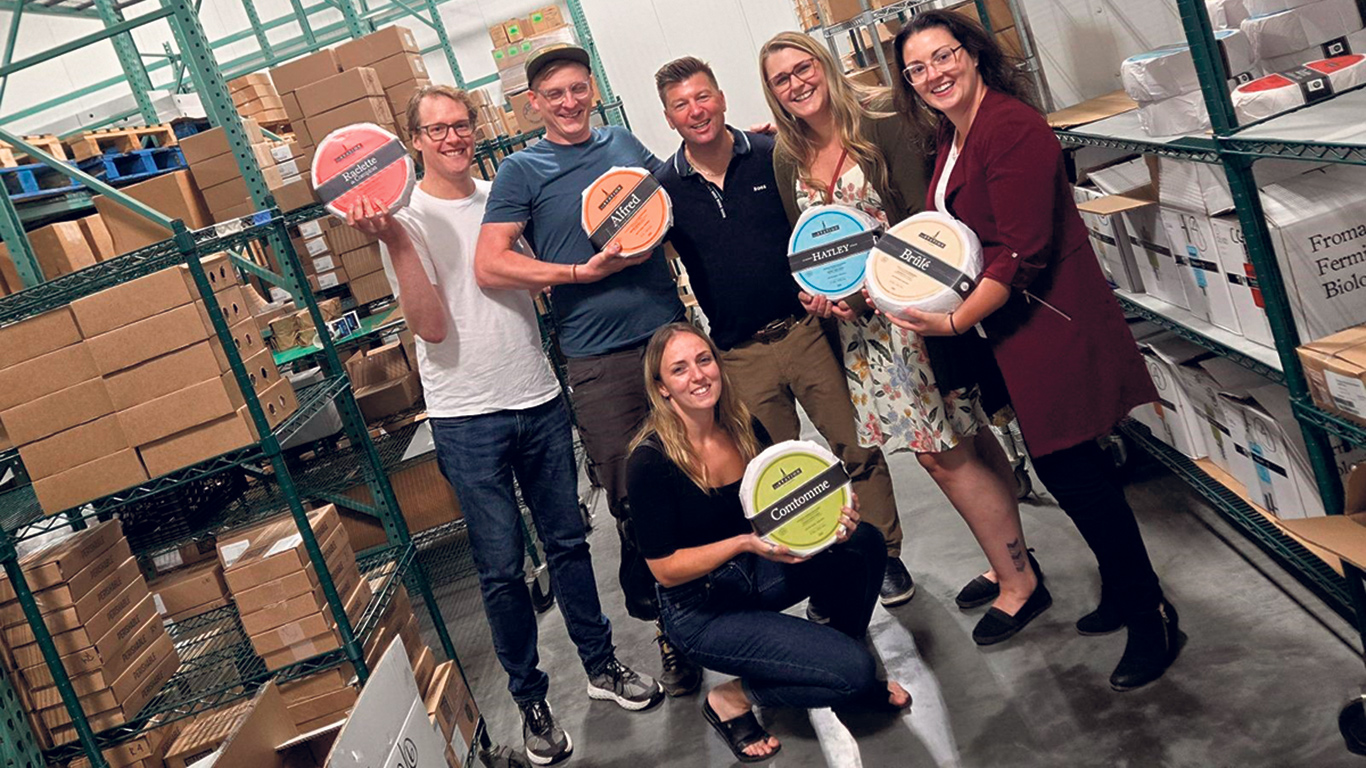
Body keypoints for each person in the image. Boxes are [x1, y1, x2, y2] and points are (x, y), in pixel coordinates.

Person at [348, 84, 661, 766]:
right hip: (466, 416)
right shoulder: (402, 215)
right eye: (438, 129)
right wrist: (397, 240)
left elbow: (544, 274)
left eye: (462, 125)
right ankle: (532, 704)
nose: (454, 138)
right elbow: (429, 326)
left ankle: (603, 668)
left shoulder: (503, 194)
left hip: (537, 396)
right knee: (500, 570)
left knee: (571, 544)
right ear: (416, 141)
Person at [883, 10, 1183, 690]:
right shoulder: (951, 133)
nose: (934, 73)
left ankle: (1152, 615)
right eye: (917, 67)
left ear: (974, 53)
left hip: (1052, 325)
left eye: (944, 55)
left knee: (1074, 473)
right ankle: (1121, 589)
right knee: (1075, 472)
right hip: (1014, 333)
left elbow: (1021, 251)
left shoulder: (1011, 127)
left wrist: (954, 323)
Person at [758, 31, 1046, 645]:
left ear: (824, 65)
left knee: (947, 453)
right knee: (959, 444)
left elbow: (925, 225)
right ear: (772, 92)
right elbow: (808, 247)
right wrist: (815, 295)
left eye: (802, 68)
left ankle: (1020, 583)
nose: (796, 84)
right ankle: (1010, 563)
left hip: (915, 319)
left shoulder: (883, 122)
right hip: (861, 339)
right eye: (781, 79)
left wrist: (871, 294)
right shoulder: (788, 156)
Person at [474, 44, 702, 696]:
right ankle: (670, 634)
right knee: (635, 501)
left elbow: (674, 190)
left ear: (592, 90)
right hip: (598, 362)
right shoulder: (522, 170)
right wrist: (574, 272)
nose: (570, 102)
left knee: (697, 479)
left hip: (667, 340)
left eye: (579, 89)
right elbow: (493, 263)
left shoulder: (623, 142)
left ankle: (708, 611)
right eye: (556, 94)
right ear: (535, 103)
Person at [650, 55, 914, 608]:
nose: (696, 111)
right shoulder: (665, 189)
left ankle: (885, 554)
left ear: (722, 97)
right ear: (668, 117)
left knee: (855, 446)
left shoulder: (774, 156)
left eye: (703, 97)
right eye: (681, 105)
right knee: (770, 475)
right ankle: (812, 566)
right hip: (737, 354)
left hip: (806, 331)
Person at [626, 322, 911, 763]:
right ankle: (734, 698)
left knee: (865, 543)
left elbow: (781, 507)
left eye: (704, 360)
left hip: (757, 571)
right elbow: (663, 569)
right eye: (679, 369)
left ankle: (830, 656)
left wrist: (833, 518)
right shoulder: (650, 461)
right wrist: (742, 544)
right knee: (855, 673)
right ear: (661, 388)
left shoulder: (741, 425)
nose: (698, 376)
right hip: (702, 609)